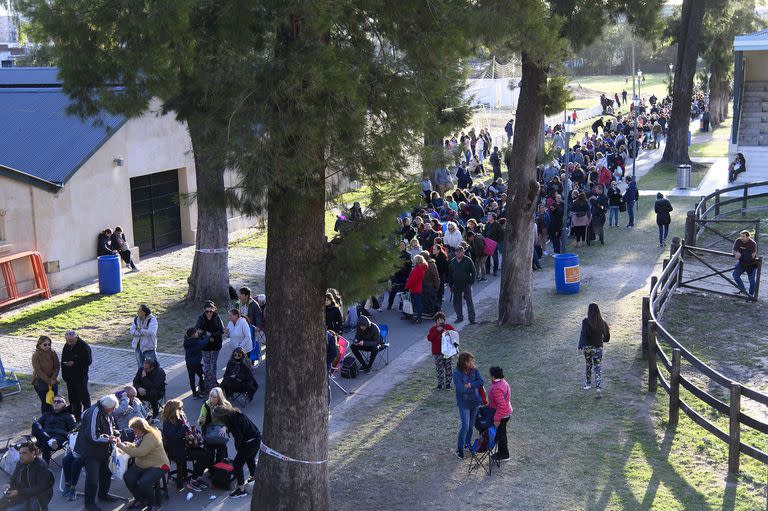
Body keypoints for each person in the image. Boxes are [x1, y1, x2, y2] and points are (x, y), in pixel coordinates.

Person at [75, 395, 119, 511]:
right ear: (106, 407)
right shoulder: (94, 413)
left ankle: (103, 494)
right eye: (113, 408)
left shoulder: (106, 412)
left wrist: (115, 433)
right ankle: (89, 504)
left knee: (106, 474)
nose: (113, 411)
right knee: (92, 480)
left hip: (104, 451)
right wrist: (108, 439)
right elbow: (92, 436)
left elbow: (111, 426)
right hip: (91, 453)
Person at [114, 418, 169, 511]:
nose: (134, 433)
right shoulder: (143, 435)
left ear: (140, 429)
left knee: (144, 482)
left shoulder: (151, 436)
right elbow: (138, 445)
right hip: (144, 464)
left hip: (158, 465)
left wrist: (122, 447)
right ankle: (141, 500)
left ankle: (153, 504)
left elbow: (139, 452)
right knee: (128, 477)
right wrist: (129, 445)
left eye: (135, 430)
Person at [160, 399, 212, 491]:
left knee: (207, 453)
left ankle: (197, 476)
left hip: (186, 447)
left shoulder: (180, 417)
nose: (182, 409)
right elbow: (174, 437)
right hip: (178, 451)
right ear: (174, 410)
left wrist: (193, 431)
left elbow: (185, 431)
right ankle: (194, 480)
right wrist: (184, 429)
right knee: (204, 455)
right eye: (180, 408)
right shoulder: (167, 423)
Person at [211, 405, 261, 499]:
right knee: (250, 459)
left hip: (249, 442)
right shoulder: (236, 413)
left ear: (222, 417)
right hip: (256, 438)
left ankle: (241, 489)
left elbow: (238, 437)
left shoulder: (233, 422)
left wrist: (238, 449)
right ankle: (254, 477)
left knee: (237, 464)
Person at [1, 440, 54, 511]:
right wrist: (9, 484)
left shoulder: (41, 466)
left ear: (33, 453)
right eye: (20, 453)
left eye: (24, 453)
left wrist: (18, 492)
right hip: (22, 493)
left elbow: (40, 488)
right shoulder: (20, 463)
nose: (21, 456)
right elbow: (14, 478)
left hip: (37, 497)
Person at [452, 352, 484, 459]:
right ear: (464, 362)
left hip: (475, 402)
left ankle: (467, 444)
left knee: (471, 426)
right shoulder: (457, 373)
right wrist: (472, 387)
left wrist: (470, 385)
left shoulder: (474, 370)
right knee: (465, 426)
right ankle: (459, 449)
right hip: (464, 404)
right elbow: (460, 389)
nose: (472, 362)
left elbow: (481, 381)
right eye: (470, 360)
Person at [31, 395, 76, 464]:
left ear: (64, 404)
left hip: (58, 440)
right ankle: (49, 440)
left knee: (45, 444)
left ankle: (44, 468)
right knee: (35, 424)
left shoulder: (68, 416)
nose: (56, 403)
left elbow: (73, 432)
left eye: (59, 401)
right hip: (44, 436)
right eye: (54, 401)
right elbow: (37, 427)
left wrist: (65, 434)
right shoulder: (46, 414)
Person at [578, 303, 611, 396]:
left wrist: (580, 346)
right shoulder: (602, 322)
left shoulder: (585, 321)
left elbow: (583, 334)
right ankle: (598, 387)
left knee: (588, 364)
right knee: (597, 367)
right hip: (598, 347)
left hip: (588, 348)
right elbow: (607, 337)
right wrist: (602, 340)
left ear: (588, 311)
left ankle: (588, 384)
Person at [61, 330, 92, 421]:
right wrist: (64, 375)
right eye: (67, 341)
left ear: (76, 338)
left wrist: (74, 363)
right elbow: (63, 359)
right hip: (69, 378)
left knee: (84, 397)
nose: (69, 343)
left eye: (71, 341)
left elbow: (88, 361)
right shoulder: (67, 346)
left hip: (80, 377)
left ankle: (88, 416)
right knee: (73, 398)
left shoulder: (83, 346)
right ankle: (77, 417)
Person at [194, 301, 225, 394]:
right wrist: (206, 335)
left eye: (211, 311)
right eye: (207, 311)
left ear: (214, 310)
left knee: (213, 365)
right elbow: (197, 329)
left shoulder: (217, 317)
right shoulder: (201, 318)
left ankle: (212, 385)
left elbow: (221, 330)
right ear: (204, 311)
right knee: (207, 366)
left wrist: (212, 335)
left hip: (215, 345)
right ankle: (207, 384)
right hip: (205, 345)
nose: (209, 313)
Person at [197, 387, 231, 464]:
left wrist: (225, 427)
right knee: (209, 453)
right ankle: (211, 469)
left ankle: (219, 469)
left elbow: (231, 420)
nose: (212, 399)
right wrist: (201, 421)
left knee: (222, 452)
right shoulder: (206, 405)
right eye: (211, 396)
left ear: (219, 397)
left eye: (214, 397)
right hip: (209, 431)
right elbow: (199, 422)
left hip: (221, 431)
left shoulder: (226, 405)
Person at [488, 366, 512, 462]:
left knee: (501, 435)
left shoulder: (496, 388)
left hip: (502, 415)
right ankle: (502, 452)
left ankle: (504, 454)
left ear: (493, 376)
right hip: (506, 413)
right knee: (502, 434)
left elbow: (501, 405)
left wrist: (497, 419)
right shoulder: (503, 382)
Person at [31, 336, 59, 415]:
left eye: (49, 344)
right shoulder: (35, 355)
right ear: (39, 345)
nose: (47, 346)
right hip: (40, 382)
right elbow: (38, 370)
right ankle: (45, 420)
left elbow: (57, 366)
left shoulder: (53, 352)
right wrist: (48, 381)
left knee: (54, 401)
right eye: (45, 345)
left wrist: (53, 378)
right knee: (45, 402)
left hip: (53, 381)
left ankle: (54, 419)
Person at [448, 246, 476, 324]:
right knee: (457, 302)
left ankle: (472, 318)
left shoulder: (468, 260)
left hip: (466, 284)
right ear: (455, 253)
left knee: (469, 301)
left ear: (463, 252)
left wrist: (471, 282)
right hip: (456, 284)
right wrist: (450, 284)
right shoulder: (453, 261)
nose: (459, 253)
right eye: (457, 252)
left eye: (461, 251)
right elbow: (450, 274)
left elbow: (473, 272)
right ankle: (459, 317)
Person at [427, 313, 455, 390]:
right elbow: (430, 338)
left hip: (447, 352)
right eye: (438, 320)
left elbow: (454, 336)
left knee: (448, 367)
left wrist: (448, 333)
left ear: (444, 320)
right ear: (436, 322)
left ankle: (448, 383)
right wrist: (437, 331)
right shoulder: (433, 329)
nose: (440, 321)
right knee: (439, 368)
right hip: (437, 352)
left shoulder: (449, 327)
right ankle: (440, 383)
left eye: (442, 320)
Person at [237, 287, 264, 357]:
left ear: (246, 295)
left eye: (241, 294)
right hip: (241, 328)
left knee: (250, 347)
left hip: (250, 329)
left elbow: (258, 317)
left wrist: (257, 327)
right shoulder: (238, 303)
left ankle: (250, 362)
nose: (239, 295)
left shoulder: (254, 305)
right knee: (240, 346)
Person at [732, 230, 758, 302]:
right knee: (735, 274)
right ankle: (743, 291)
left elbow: (752, 256)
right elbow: (734, 250)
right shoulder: (738, 241)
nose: (741, 238)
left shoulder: (752, 243)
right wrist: (736, 252)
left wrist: (740, 255)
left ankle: (750, 296)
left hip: (751, 264)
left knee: (752, 280)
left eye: (743, 236)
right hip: (742, 263)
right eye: (741, 236)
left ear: (748, 236)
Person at [183, 328, 208, 399]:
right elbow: (204, 342)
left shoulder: (186, 341)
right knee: (202, 376)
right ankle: (202, 391)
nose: (198, 333)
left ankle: (194, 393)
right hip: (197, 364)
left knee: (192, 378)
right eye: (197, 333)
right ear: (194, 334)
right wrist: (207, 336)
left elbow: (194, 338)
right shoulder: (196, 342)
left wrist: (199, 334)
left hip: (189, 363)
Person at [405, 254, 428, 324]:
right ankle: (418, 317)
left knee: (417, 304)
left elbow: (412, 280)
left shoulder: (417, 269)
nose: (412, 261)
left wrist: (407, 287)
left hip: (415, 289)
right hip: (418, 288)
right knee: (418, 304)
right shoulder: (422, 268)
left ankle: (419, 318)